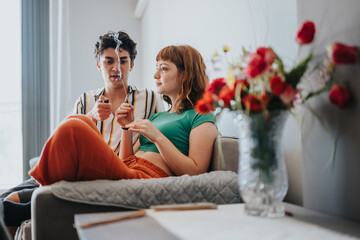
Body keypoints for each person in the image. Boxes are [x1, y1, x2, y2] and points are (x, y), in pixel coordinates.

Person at [0, 31, 164, 235]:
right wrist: (92, 116)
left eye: (123, 61)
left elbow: (153, 148)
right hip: (71, 171)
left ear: (131, 65)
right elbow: (62, 140)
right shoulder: (86, 100)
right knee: (4, 200)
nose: (116, 68)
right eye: (109, 61)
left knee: (8, 205)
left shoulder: (148, 99)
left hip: (104, 174)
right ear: (98, 65)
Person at [29, 44, 218, 186]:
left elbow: (195, 172)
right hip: (129, 170)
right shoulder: (158, 117)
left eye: (164, 68)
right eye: (157, 67)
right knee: (78, 120)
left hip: (148, 177)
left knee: (75, 126)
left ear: (185, 75)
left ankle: (40, 188)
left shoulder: (200, 115)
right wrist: (126, 127)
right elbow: (125, 160)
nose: (155, 75)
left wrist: (157, 136)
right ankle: (41, 192)